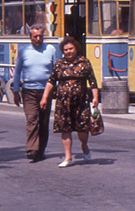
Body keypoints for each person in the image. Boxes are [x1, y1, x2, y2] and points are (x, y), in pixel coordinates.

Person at [40, 35, 100, 168]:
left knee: (82, 129)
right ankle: (68, 157)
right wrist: (44, 98)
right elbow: (51, 81)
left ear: (76, 49)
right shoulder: (59, 64)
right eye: (66, 50)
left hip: (81, 102)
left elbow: (92, 82)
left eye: (70, 49)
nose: (68, 52)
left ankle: (84, 145)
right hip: (63, 103)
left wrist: (95, 98)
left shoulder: (84, 63)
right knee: (64, 128)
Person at [11, 25, 59, 162]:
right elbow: (17, 72)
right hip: (29, 91)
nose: (38, 39)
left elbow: (55, 71)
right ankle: (32, 149)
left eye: (40, 36)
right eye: (35, 37)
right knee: (32, 119)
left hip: (46, 91)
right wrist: (15, 90)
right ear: (30, 37)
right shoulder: (24, 50)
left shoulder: (50, 49)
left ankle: (40, 150)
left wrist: (56, 88)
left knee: (43, 122)